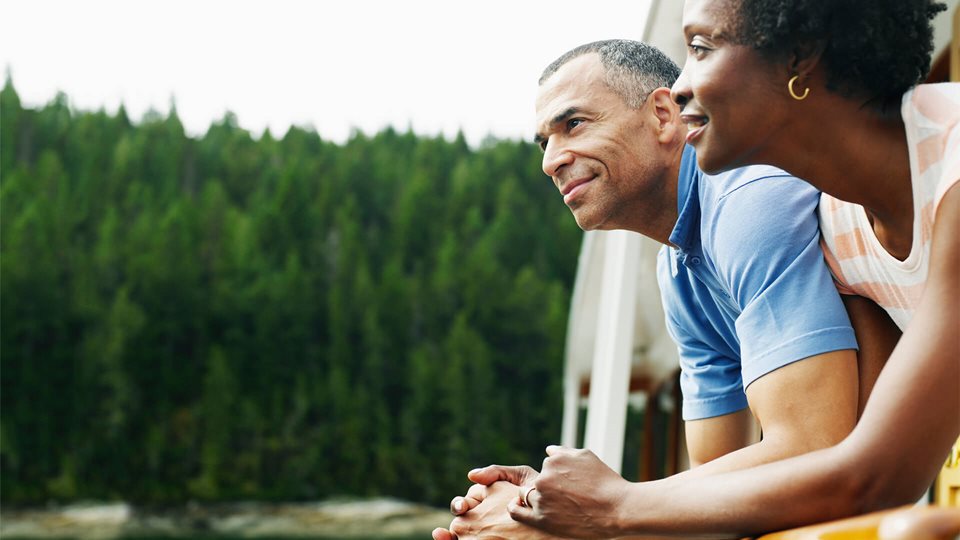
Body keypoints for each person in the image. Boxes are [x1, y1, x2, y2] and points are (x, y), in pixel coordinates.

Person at [441, 1, 959, 538]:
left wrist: (607, 510)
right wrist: (553, 511)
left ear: (801, 55)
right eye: (545, 142)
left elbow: (856, 470)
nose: (681, 85)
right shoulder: (836, 223)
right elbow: (727, 493)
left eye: (700, 49)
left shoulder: (767, 201)